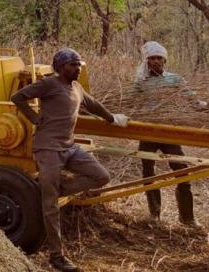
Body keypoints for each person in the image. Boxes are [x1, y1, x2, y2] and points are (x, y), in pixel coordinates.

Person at [11, 48, 128, 272]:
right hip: (48, 149)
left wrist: (112, 118)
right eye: (73, 65)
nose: (78, 68)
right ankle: (57, 257)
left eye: (79, 64)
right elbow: (18, 97)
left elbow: (93, 105)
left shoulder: (77, 87)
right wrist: (34, 117)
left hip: (69, 147)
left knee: (102, 176)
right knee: (51, 208)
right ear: (61, 67)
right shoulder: (49, 84)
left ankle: (49, 190)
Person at [132, 41, 202, 228]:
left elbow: (191, 97)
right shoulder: (141, 82)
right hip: (147, 131)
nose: (155, 61)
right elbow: (131, 103)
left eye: (159, 58)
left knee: (181, 170)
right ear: (146, 61)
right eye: (152, 58)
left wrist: (202, 106)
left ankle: (187, 218)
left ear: (164, 60)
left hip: (169, 131)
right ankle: (154, 215)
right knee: (148, 172)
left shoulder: (174, 79)